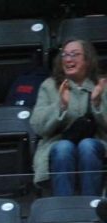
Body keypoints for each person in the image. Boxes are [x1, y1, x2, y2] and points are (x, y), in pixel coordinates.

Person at [30, 38, 107, 197]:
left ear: (87, 59)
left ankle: (91, 204)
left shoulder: (102, 85)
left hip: (98, 143)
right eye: (65, 55)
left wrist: (97, 103)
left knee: (87, 145)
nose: (68, 59)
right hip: (57, 144)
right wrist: (61, 105)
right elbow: (38, 126)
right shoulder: (49, 86)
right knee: (64, 147)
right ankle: (63, 207)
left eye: (74, 54)